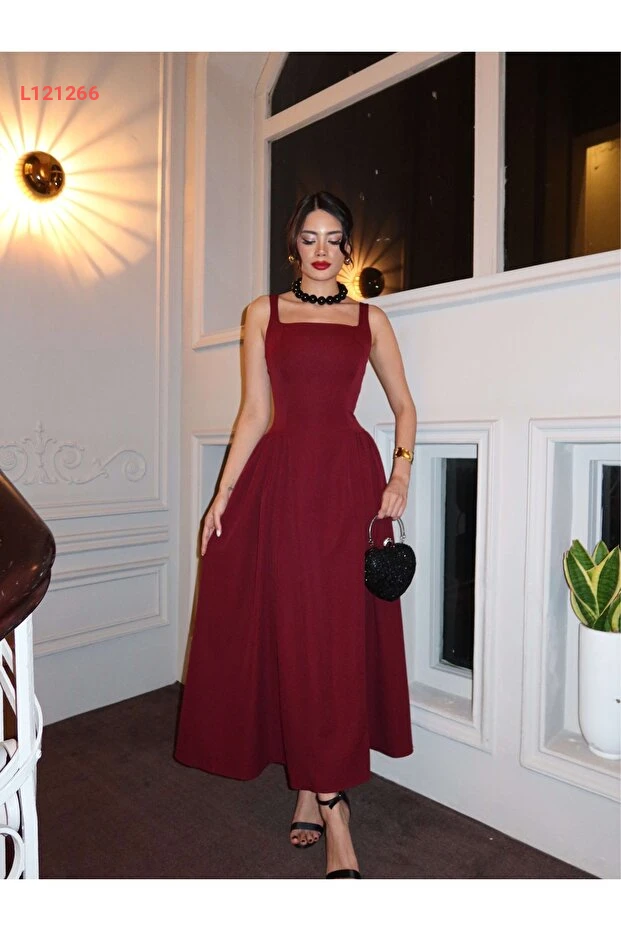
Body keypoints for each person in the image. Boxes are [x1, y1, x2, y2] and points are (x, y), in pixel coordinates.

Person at [175, 191, 417, 880]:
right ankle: (320, 792)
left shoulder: (369, 318)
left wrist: (399, 475)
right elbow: (255, 412)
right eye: (310, 237)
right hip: (280, 486)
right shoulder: (263, 312)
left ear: (347, 249)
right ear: (294, 245)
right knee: (292, 632)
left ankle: (324, 797)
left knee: (333, 639)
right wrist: (222, 495)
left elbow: (404, 407)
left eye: (334, 239)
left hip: (347, 485)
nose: (321, 250)